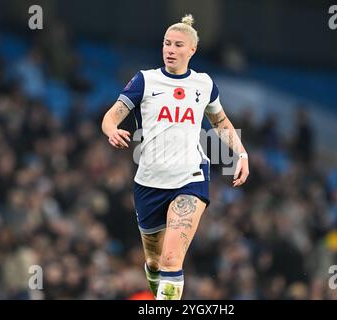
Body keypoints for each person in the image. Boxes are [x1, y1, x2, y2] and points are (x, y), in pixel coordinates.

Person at [101, 14, 249, 300]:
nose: (170, 49)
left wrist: (241, 153)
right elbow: (111, 117)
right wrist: (111, 130)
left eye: (178, 45)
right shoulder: (145, 80)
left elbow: (220, 122)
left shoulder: (204, 84)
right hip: (149, 182)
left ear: (191, 50)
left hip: (189, 179)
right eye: (167, 43)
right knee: (155, 264)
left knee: (171, 260)